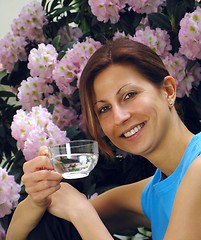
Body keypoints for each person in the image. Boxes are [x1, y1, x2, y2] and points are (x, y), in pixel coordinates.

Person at [6, 38, 201, 240]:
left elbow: (83, 216)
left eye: (129, 95)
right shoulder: (155, 192)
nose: (119, 117)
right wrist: (36, 199)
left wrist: (81, 213)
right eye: (104, 109)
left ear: (168, 90)